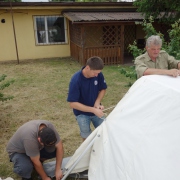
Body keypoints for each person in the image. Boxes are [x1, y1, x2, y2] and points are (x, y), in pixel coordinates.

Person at [67, 56, 107, 140]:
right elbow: (72, 104)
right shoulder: (76, 80)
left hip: (96, 110)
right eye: (95, 73)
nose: (97, 75)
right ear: (87, 67)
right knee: (87, 137)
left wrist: (97, 103)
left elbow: (103, 89)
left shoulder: (98, 74)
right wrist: (93, 110)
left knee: (104, 131)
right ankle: (88, 152)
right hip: (82, 114)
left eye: (98, 73)